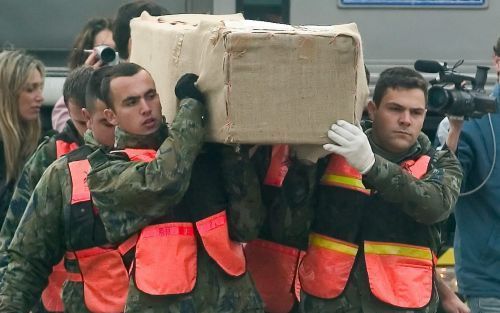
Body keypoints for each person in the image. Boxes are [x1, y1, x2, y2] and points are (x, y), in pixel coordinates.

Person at [0, 64, 206, 312]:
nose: (118, 132)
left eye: (150, 97)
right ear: (95, 117)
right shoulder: (64, 175)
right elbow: (25, 262)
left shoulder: (178, 157)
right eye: (107, 123)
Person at [85, 63, 264, 312]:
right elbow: (164, 182)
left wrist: (233, 154)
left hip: (233, 302)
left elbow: (247, 227)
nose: (146, 109)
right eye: (131, 102)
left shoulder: (197, 152)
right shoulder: (106, 175)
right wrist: (190, 108)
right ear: (111, 116)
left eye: (151, 96)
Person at [298, 67, 463, 313]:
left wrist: (371, 166)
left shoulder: (439, 163)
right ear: (373, 110)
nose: (406, 120)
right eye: (395, 109)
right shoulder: (332, 153)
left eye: (416, 112)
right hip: (329, 300)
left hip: (402, 303)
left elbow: (434, 207)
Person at [0, 66, 95, 312]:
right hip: (61, 300)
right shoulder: (51, 157)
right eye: (81, 122)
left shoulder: (141, 153)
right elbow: (16, 244)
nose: (91, 130)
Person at [445, 37, 500, 313]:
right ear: (497, 63)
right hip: (491, 285)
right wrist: (454, 131)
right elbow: (444, 190)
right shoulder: (476, 119)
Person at [0, 50, 44, 224]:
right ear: (7, 94)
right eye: (30, 89)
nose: (40, 97)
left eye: (40, 87)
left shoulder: (39, 142)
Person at [51, 17, 115, 132]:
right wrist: (84, 80)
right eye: (105, 52)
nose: (111, 58)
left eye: (115, 51)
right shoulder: (70, 100)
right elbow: (66, 129)